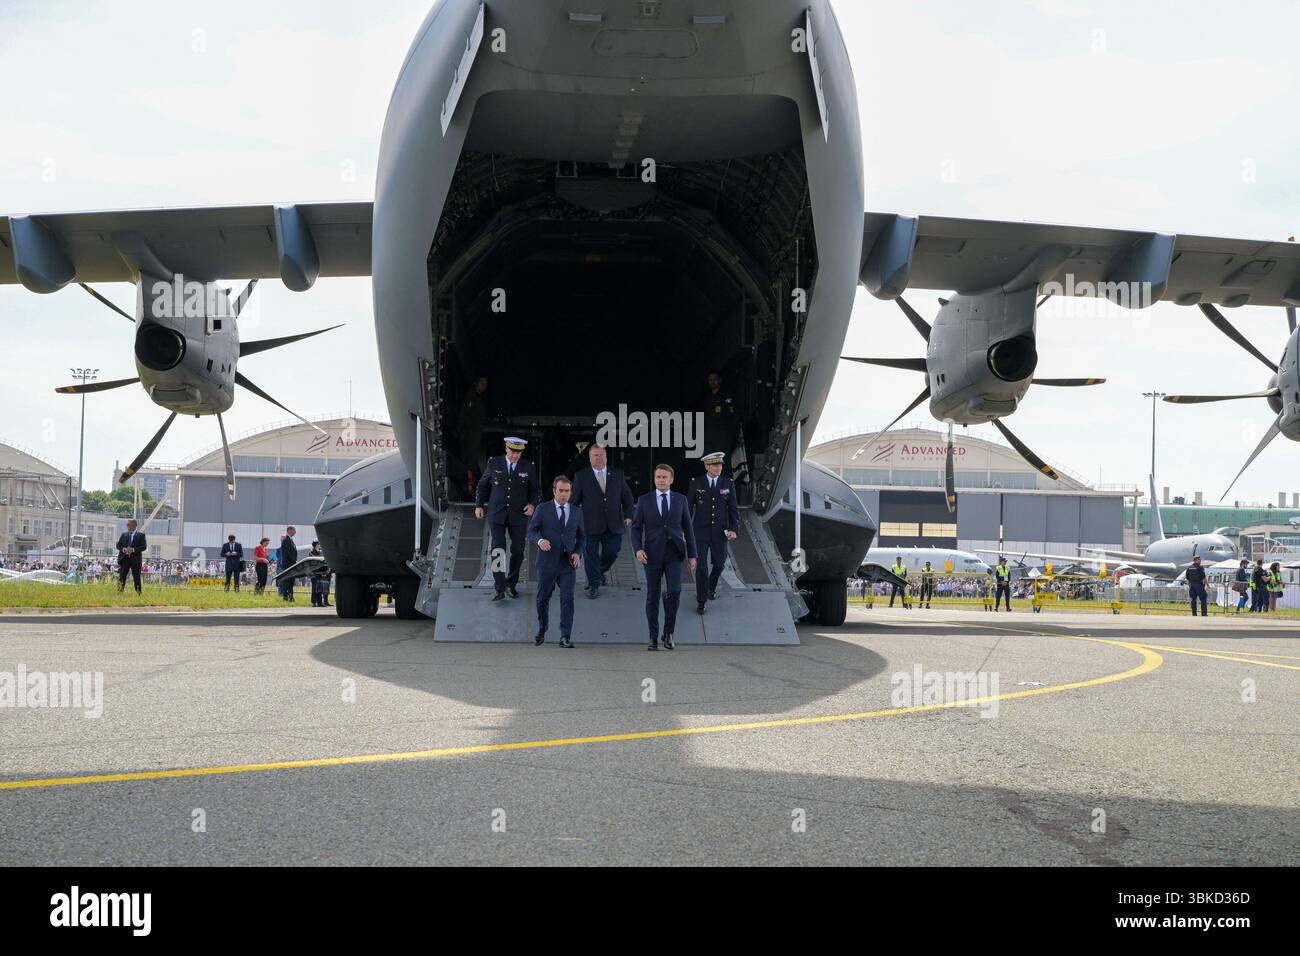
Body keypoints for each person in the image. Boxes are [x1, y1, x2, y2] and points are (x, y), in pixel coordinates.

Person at [631, 464, 697, 651]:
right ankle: (653, 637)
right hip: (651, 554)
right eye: (658, 477)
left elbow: (688, 529)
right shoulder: (644, 500)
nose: (660, 480)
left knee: (674, 592)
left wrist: (692, 555)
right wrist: (638, 549)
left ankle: (668, 633)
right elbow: (636, 529)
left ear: (671, 479)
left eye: (664, 477)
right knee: (652, 596)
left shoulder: (681, 500)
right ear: (654, 479)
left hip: (674, 553)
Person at [475, 437, 539, 601]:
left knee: (518, 550)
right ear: (506, 449)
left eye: (518, 453)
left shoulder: (528, 466)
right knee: (498, 550)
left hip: (518, 515)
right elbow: (483, 485)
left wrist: (532, 504)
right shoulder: (494, 463)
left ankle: (511, 584)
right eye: (512, 452)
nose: (515, 456)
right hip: (497, 513)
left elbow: (535, 490)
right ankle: (499, 588)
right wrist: (479, 505)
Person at [527, 475, 585, 648]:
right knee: (542, 598)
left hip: (567, 563)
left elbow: (582, 537)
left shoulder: (576, 511)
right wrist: (539, 541)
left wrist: (578, 553)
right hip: (547, 562)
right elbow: (531, 531)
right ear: (554, 491)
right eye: (561, 491)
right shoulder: (543, 509)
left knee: (568, 598)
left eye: (567, 491)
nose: (564, 494)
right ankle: (542, 629)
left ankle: (565, 636)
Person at [570, 444, 634, 598]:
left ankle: (598, 572)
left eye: (601, 455)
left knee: (612, 552)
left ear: (606, 457)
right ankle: (593, 585)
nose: (599, 458)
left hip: (613, 524)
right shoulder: (581, 476)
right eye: (595, 455)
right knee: (590, 555)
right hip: (589, 525)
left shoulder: (618, 474)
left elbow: (627, 497)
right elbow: (574, 501)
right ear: (590, 458)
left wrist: (628, 515)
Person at [687, 451, 740, 614]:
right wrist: (685, 531)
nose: (719, 467)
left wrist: (733, 529)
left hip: (719, 532)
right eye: (715, 465)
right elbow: (687, 508)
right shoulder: (696, 482)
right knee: (701, 567)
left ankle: (710, 587)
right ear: (706, 466)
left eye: (720, 464)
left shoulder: (727, 483)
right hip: (699, 532)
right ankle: (701, 601)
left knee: (719, 564)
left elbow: (733, 508)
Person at [697, 371, 739, 475]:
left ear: (719, 380)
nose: (712, 382)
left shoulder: (726, 396)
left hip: (722, 437)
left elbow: (733, 416)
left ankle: (725, 489)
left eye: (715, 379)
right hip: (709, 437)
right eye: (710, 380)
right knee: (709, 463)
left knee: (723, 464)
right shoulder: (706, 398)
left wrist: (732, 433)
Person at [455, 375, 489, 475]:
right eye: (482, 383)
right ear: (476, 383)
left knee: (472, 461)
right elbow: (463, 416)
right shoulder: (471, 397)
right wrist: (462, 433)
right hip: (468, 436)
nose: (483, 386)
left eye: (485, 384)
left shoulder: (479, 399)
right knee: (468, 461)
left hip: (475, 435)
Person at [115, 519, 146, 594]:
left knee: (136, 577)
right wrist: (124, 549)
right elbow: (118, 545)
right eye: (127, 525)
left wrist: (133, 550)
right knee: (122, 576)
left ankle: (138, 592)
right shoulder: (124, 534)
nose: (127, 526)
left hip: (135, 560)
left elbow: (143, 547)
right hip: (125, 559)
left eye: (129, 524)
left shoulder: (141, 535)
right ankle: (119, 592)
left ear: (134, 526)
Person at [279, 526, 298, 602]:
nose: (295, 532)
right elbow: (287, 554)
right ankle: (286, 597)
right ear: (290, 530)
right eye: (294, 530)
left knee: (291, 581)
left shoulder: (290, 540)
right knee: (287, 581)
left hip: (291, 564)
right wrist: (294, 561)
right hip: (288, 564)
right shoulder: (286, 540)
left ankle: (291, 596)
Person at [309, 541, 331, 607]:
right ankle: (314, 602)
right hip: (315, 572)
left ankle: (319, 602)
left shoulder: (320, 552)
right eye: (319, 544)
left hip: (320, 572)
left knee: (320, 588)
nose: (320, 545)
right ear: (316, 545)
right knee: (314, 588)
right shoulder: (311, 552)